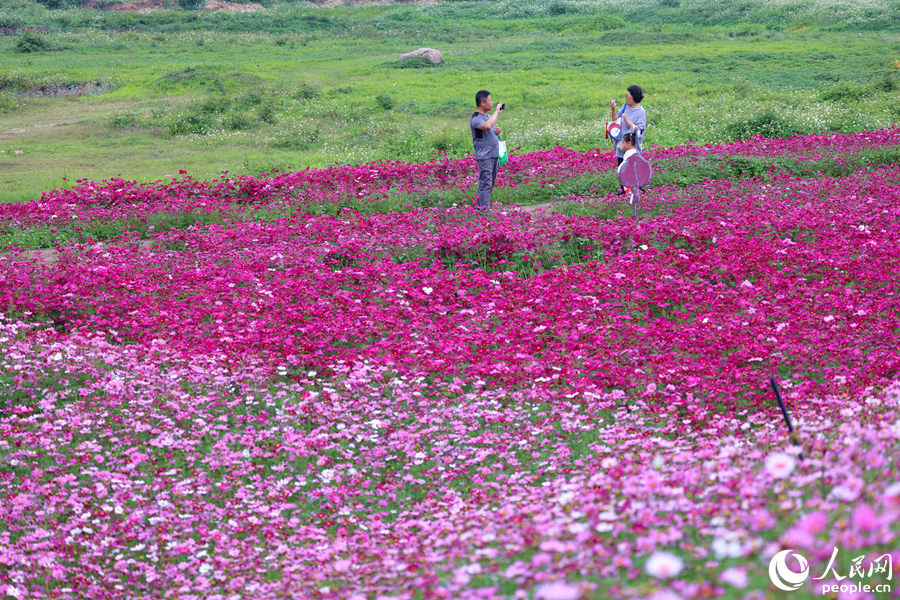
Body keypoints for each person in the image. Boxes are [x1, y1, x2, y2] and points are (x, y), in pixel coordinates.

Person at [470, 90, 504, 211]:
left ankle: (480, 209)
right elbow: (487, 126)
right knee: (486, 184)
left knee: (488, 184)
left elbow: (488, 130)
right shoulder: (476, 118)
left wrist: (496, 133)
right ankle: (484, 212)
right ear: (482, 103)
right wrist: (496, 112)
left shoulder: (487, 116)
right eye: (490, 100)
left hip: (492, 155)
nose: (492, 103)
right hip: (485, 156)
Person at [610, 85, 646, 193]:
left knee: (633, 172)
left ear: (634, 97)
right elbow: (616, 119)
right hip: (622, 146)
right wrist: (613, 109)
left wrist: (627, 121)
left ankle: (637, 193)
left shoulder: (641, 112)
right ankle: (624, 192)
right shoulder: (625, 106)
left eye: (627, 96)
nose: (625, 98)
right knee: (622, 171)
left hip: (632, 149)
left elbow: (639, 130)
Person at [617, 132, 638, 204]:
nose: (622, 145)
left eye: (623, 143)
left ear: (629, 143)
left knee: (629, 192)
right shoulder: (634, 151)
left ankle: (630, 203)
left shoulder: (629, 154)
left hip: (629, 177)